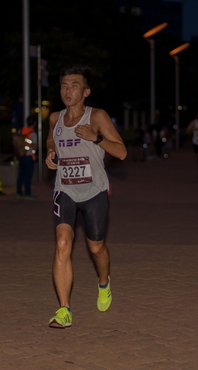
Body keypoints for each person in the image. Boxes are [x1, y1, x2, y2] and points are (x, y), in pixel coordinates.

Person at [45, 65, 127, 329]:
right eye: (64, 85)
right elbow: (50, 140)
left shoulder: (97, 116)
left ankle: (104, 283)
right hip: (65, 189)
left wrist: (96, 137)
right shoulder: (55, 118)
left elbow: (122, 152)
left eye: (74, 85)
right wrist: (50, 152)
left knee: (96, 248)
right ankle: (64, 309)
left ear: (86, 91)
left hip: (94, 192)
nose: (68, 90)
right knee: (62, 243)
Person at [16, 114, 38, 199]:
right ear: (34, 123)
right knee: (28, 176)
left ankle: (19, 192)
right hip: (29, 156)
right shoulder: (33, 133)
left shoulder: (21, 130)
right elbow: (34, 147)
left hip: (21, 155)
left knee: (21, 174)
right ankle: (28, 193)